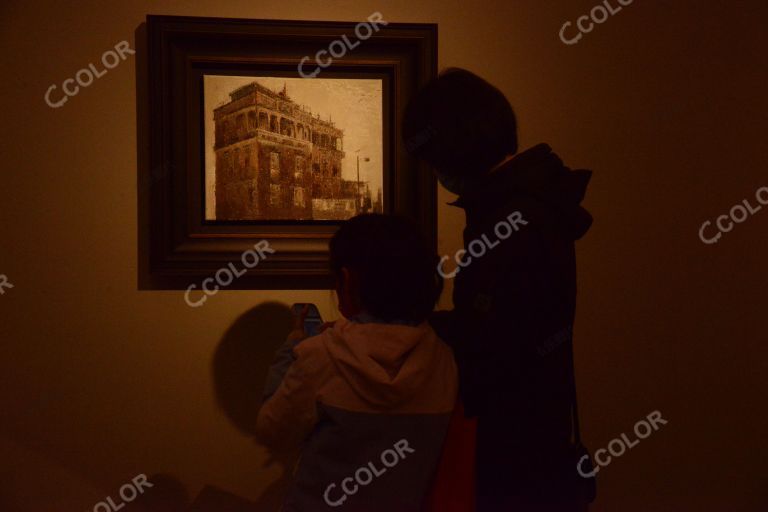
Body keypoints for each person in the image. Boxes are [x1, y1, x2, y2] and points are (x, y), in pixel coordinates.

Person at [403, 68, 595, 511]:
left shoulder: (514, 220)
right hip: (536, 432)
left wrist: (409, 332)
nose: (435, 173)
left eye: (432, 159)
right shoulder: (534, 204)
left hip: (516, 443)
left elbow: (491, 342)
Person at [255, 214, 458, 512]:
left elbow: (272, 431)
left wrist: (293, 345)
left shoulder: (320, 355)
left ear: (347, 280)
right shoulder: (444, 359)